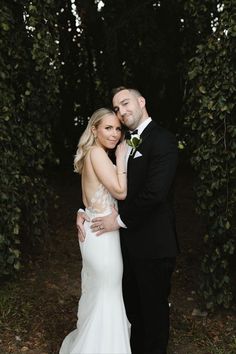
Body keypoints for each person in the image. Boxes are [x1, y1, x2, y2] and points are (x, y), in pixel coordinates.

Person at [77, 87, 179, 354]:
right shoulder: (119, 145)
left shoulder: (163, 140)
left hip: (153, 244)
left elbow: (155, 194)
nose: (121, 111)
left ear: (141, 101)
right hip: (124, 245)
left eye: (125, 103)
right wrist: (83, 210)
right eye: (117, 107)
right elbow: (104, 184)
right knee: (133, 310)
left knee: (154, 315)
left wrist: (119, 220)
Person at [59, 108, 131, 354]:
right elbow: (120, 192)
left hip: (94, 228)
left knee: (102, 294)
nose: (114, 134)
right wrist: (121, 158)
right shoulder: (99, 154)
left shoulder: (92, 154)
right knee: (108, 295)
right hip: (102, 235)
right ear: (94, 130)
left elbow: (90, 198)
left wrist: (81, 212)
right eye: (108, 128)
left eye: (118, 129)